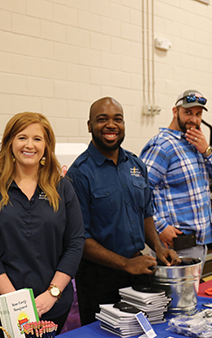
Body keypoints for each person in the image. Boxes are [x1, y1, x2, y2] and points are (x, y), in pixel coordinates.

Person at [0, 112, 84, 338]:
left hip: (50, 308)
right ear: (10, 142)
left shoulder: (62, 187)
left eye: (37, 139)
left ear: (46, 146)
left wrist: (52, 293)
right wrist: (16, 303)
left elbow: (75, 243)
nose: (29, 145)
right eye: (22, 137)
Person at [66, 97, 180, 326]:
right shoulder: (79, 174)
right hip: (98, 279)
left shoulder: (136, 166)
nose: (111, 125)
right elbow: (81, 239)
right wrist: (126, 264)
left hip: (139, 271)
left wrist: (158, 247)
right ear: (89, 126)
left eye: (118, 119)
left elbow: (146, 213)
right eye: (102, 119)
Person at [139, 90, 212, 263]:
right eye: (187, 112)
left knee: (191, 291)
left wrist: (206, 150)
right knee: (174, 291)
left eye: (198, 114)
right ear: (175, 111)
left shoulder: (196, 144)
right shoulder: (162, 146)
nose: (193, 119)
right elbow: (139, 191)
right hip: (173, 245)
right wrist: (160, 226)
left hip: (199, 243)